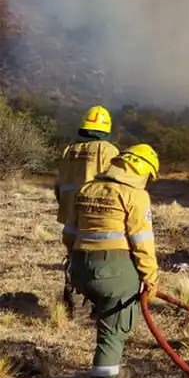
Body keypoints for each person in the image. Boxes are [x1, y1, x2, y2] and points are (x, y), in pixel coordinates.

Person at [62, 144, 160, 378]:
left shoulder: (88, 188)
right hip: (114, 272)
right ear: (141, 170)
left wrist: (77, 264)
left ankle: (109, 369)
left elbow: (68, 234)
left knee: (107, 323)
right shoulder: (135, 195)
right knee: (112, 337)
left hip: (80, 268)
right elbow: (142, 244)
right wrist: (150, 279)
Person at [55, 106, 120, 318]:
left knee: (74, 257)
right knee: (98, 259)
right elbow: (118, 186)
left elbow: (59, 185)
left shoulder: (69, 151)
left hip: (70, 215)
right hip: (95, 215)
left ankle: (73, 303)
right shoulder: (108, 151)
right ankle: (95, 303)